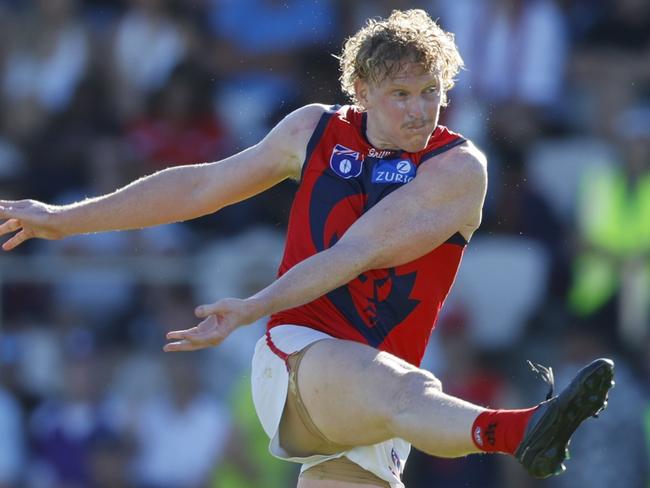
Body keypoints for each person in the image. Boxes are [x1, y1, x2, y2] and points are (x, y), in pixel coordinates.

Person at [0, 9, 614, 488]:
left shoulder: (457, 170)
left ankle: (519, 430)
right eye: (402, 93)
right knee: (411, 391)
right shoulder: (313, 129)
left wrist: (248, 303)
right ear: (363, 89)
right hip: (299, 356)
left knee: (404, 393)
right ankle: (520, 430)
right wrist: (63, 218)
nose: (420, 108)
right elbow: (203, 185)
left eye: (432, 91)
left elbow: (355, 252)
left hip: (373, 399)